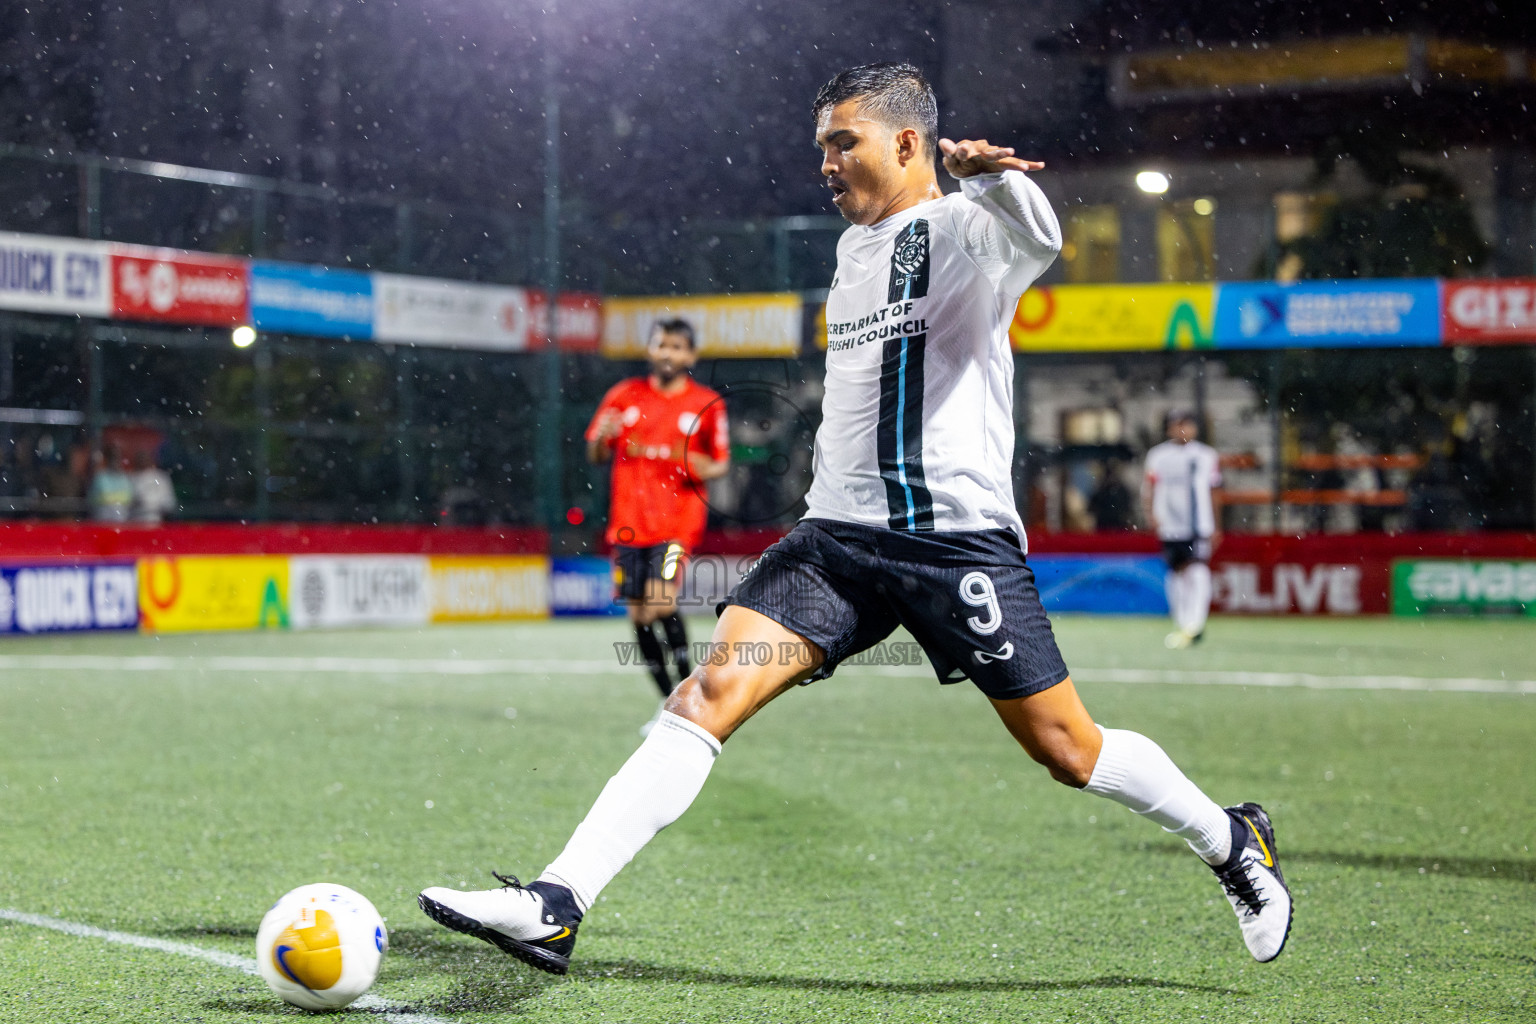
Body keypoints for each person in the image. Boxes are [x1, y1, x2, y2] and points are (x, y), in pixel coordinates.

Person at [419, 62, 1291, 977]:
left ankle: (1232, 842)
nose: (827, 164)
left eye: (845, 143)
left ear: (906, 144)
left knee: (1069, 749)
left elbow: (1036, 238)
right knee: (703, 697)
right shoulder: (852, 251)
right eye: (822, 147)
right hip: (835, 541)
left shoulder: (963, 228)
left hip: (952, 544)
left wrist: (991, 179)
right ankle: (558, 903)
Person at [583, 319, 731, 722]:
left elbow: (719, 465)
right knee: (640, 614)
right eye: (661, 344)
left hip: (676, 527)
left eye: (677, 346)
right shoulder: (623, 396)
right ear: (651, 349)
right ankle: (671, 703)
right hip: (628, 525)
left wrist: (690, 463)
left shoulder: (706, 404)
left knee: (661, 601)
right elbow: (596, 453)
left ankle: (691, 695)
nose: (668, 353)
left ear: (691, 356)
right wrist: (602, 439)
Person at [1142, 411, 1223, 648]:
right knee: (1176, 572)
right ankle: (1182, 622)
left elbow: (1214, 490)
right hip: (1170, 524)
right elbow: (1149, 487)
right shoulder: (1158, 455)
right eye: (1177, 426)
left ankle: (1195, 624)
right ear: (1169, 429)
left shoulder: (1206, 455)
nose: (1182, 431)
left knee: (1198, 568)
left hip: (1199, 524)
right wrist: (1151, 515)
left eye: (1186, 426)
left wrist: (1216, 524)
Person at [87, 444, 133, 523]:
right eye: (112, 458)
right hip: (102, 523)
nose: (115, 461)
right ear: (107, 459)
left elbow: (130, 499)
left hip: (122, 524)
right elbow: (91, 500)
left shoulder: (126, 478)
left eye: (117, 458)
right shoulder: (99, 478)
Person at [130, 449, 177, 524]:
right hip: (135, 522)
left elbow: (169, 503)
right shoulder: (130, 478)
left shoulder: (161, 478)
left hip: (157, 521)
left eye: (144, 458)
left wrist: (152, 505)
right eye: (140, 459)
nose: (142, 461)